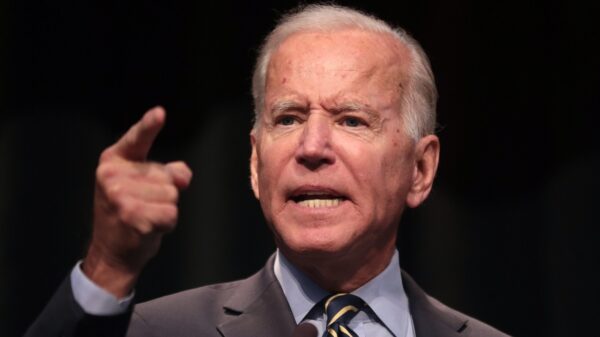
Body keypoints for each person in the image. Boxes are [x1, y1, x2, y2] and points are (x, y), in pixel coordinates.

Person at [26, 4, 508, 337]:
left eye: (351, 120)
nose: (312, 147)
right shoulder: (158, 330)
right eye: (289, 118)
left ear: (420, 170)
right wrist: (108, 267)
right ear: (256, 163)